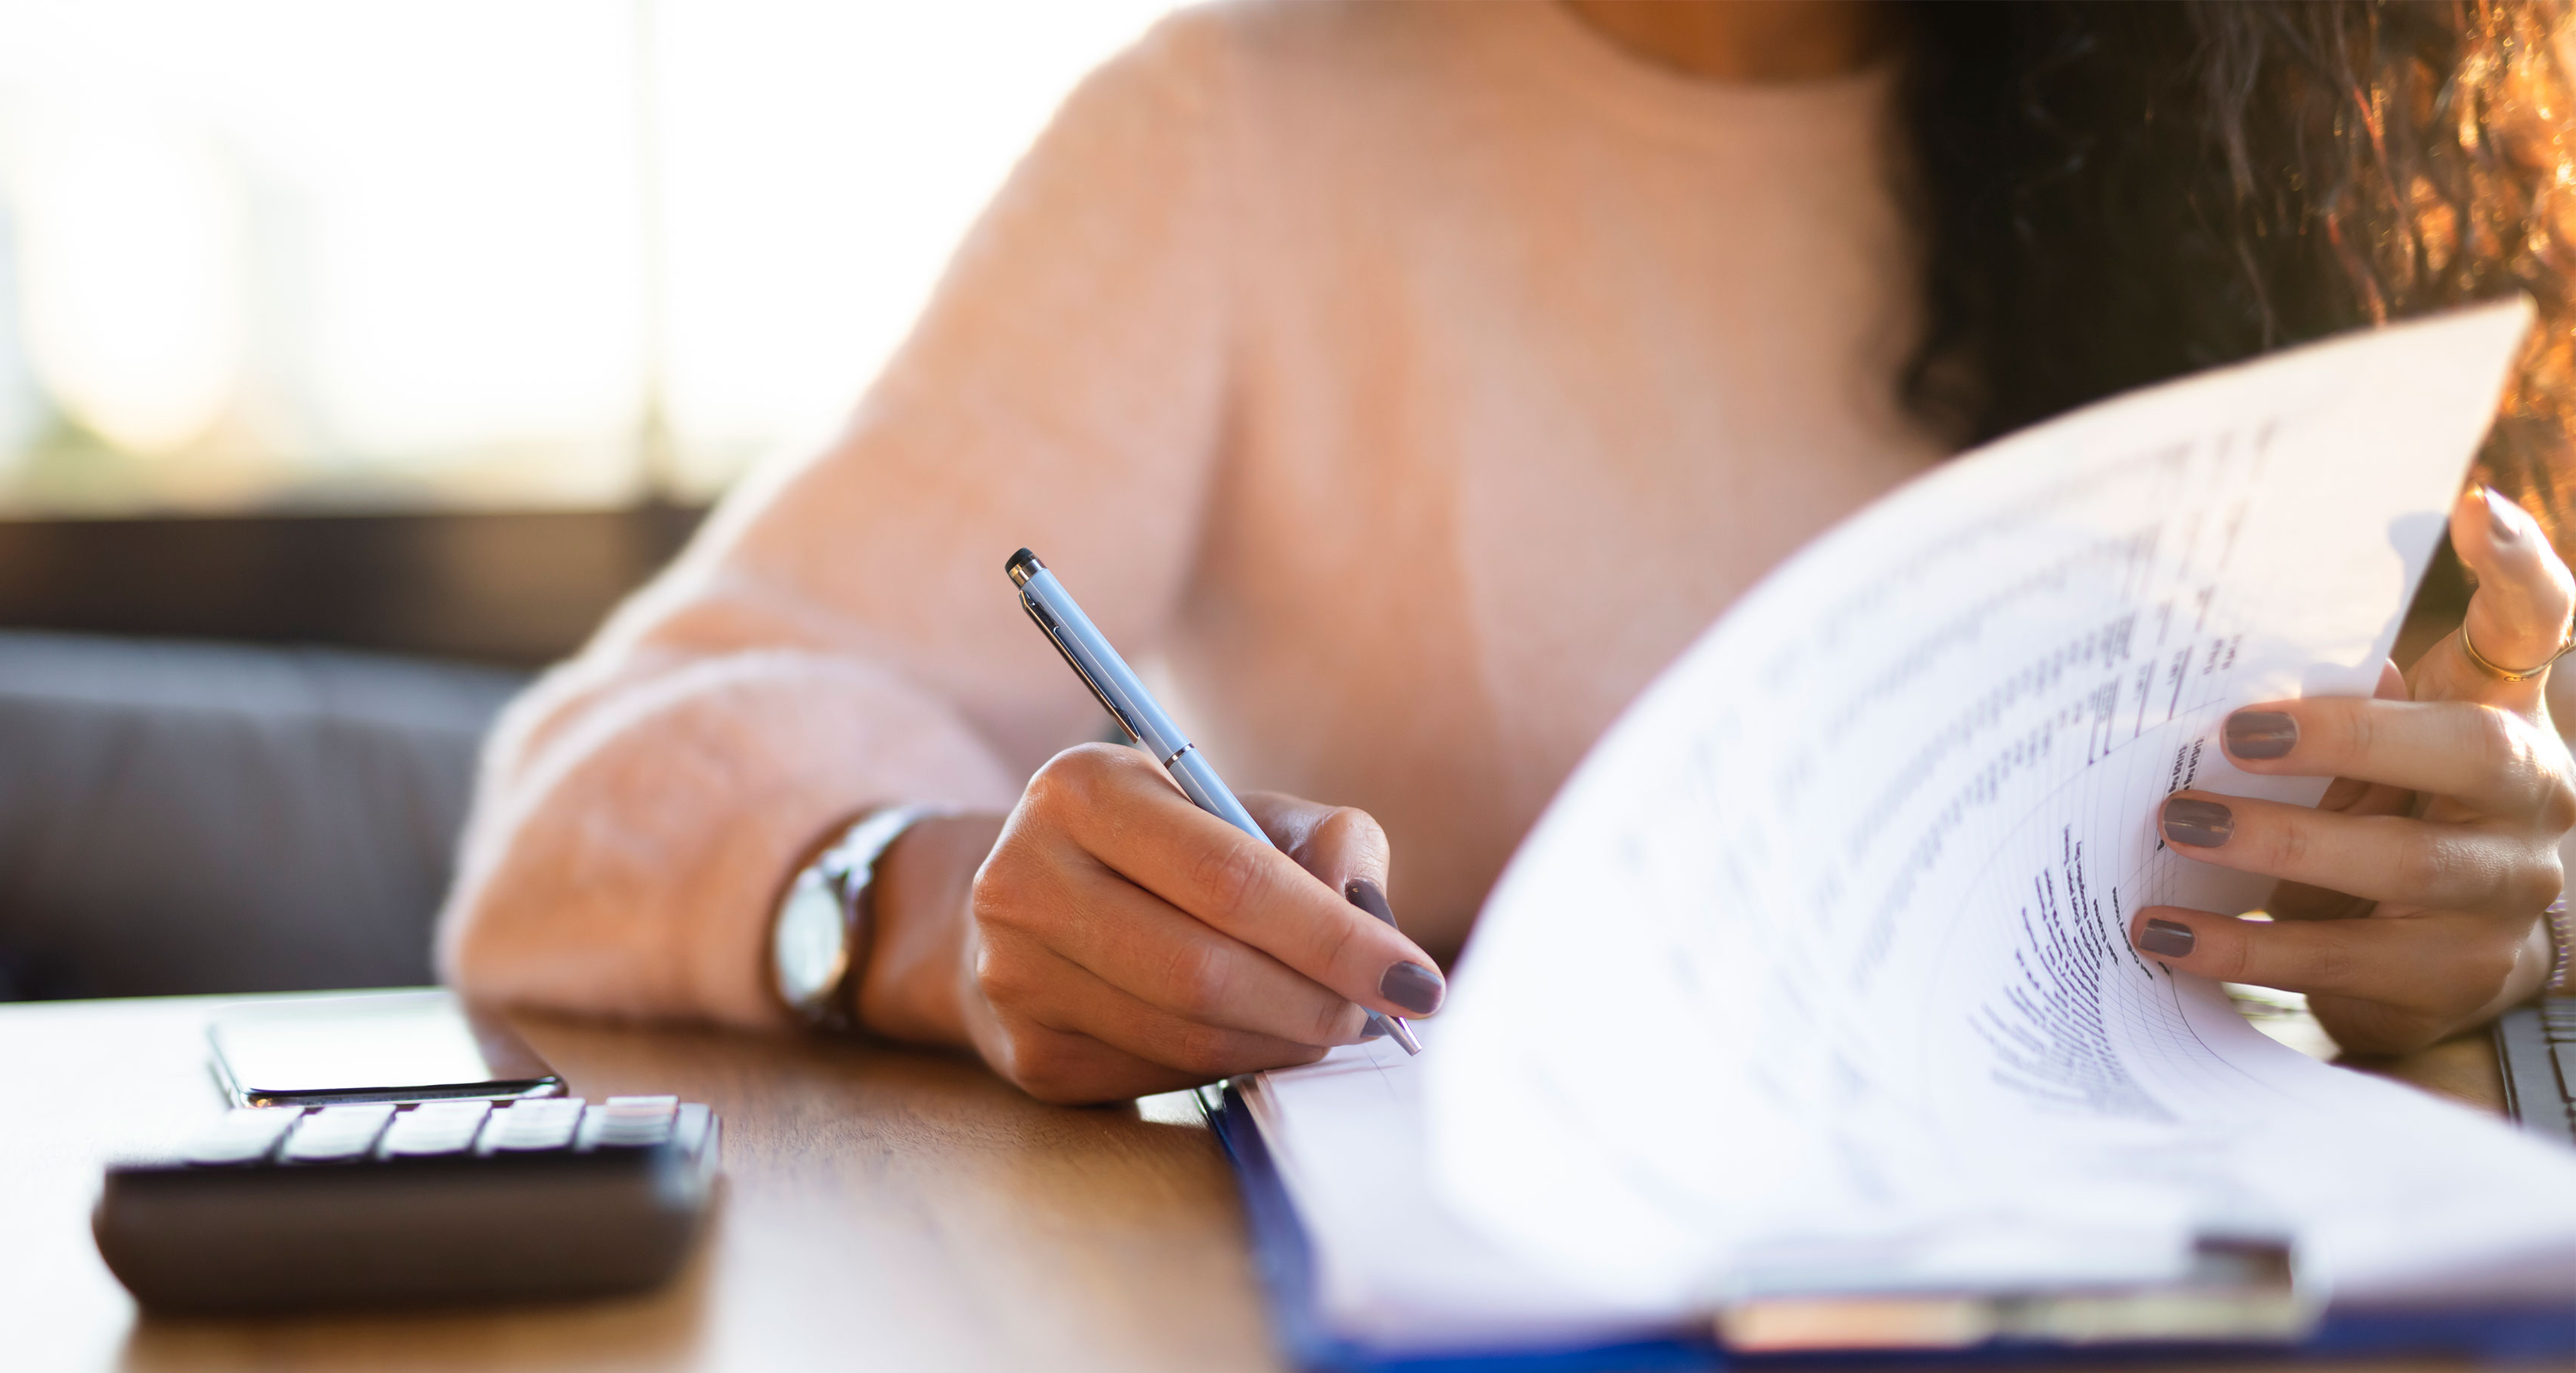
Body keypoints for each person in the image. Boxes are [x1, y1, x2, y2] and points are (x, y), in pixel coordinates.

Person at [441, 0, 2576, 1101]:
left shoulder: (2330, 136)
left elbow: (2475, 802)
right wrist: (920, 916)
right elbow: (589, 791)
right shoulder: (1247, 129)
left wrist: (2507, 912)